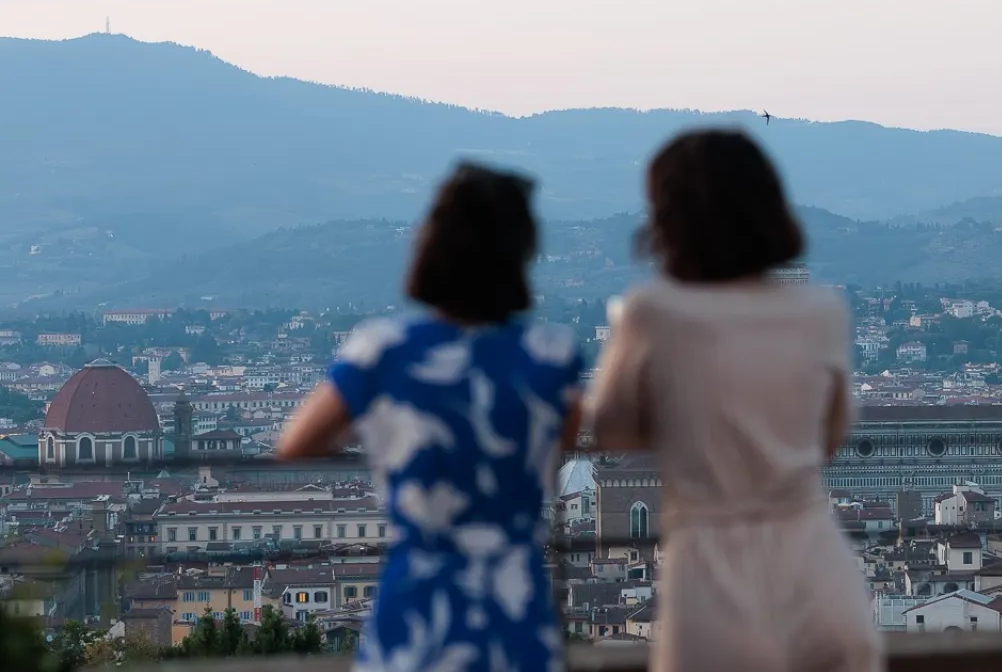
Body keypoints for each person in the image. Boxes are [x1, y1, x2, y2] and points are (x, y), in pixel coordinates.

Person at [585, 128, 882, 672]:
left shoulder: (654, 312)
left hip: (714, 574)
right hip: (817, 568)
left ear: (668, 219)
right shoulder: (821, 312)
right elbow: (829, 438)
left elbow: (610, 428)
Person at [279, 162, 583, 672]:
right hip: (517, 603)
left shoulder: (383, 351)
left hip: (421, 599)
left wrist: (382, 433)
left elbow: (295, 444)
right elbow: (560, 448)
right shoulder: (553, 357)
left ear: (431, 247)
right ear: (519, 255)